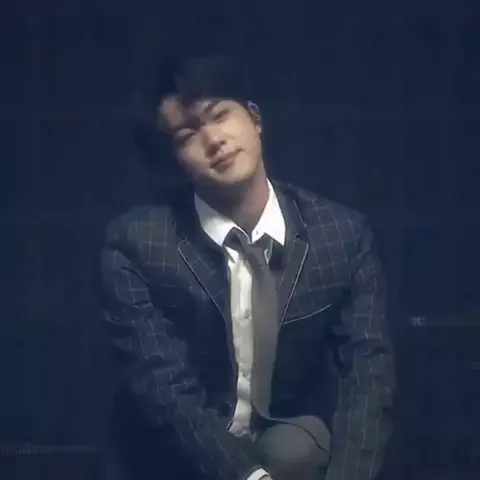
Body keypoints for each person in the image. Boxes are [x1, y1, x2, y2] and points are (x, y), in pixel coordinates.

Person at [101, 54, 394, 480]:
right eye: (188, 136)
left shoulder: (340, 236)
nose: (214, 140)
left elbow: (368, 376)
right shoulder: (137, 244)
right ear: (176, 160)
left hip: (281, 445)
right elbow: (163, 387)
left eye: (220, 115)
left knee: (294, 450)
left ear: (254, 118)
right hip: (175, 457)